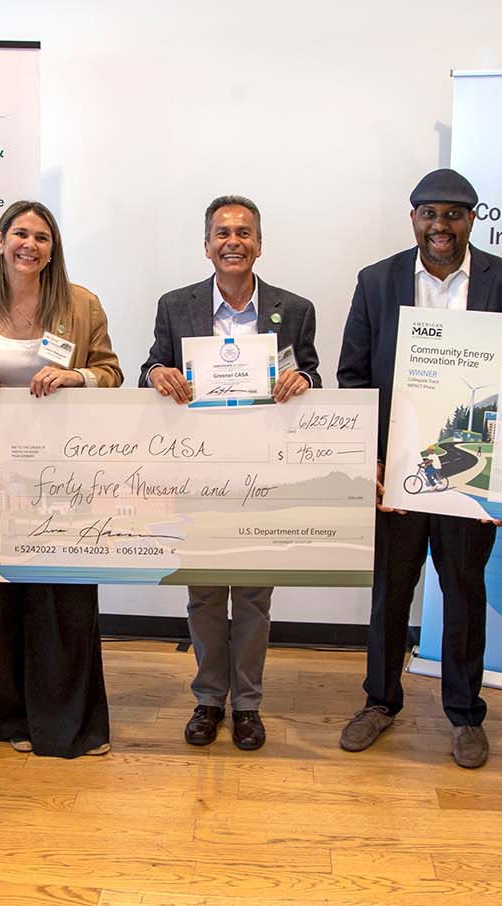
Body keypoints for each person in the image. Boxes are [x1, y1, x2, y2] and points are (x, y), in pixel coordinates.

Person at [336, 168, 502, 768]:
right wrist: (375, 460)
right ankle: (380, 701)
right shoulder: (377, 281)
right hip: (397, 477)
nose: (441, 226)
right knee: (390, 594)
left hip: (470, 478)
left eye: (453, 214)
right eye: (430, 213)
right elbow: (353, 376)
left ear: (473, 218)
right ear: (413, 216)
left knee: (464, 592)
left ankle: (465, 713)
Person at [0, 199, 122, 758]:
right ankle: (5, 716)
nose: (30, 245)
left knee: (60, 598)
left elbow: (111, 372)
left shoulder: (81, 304)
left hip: (62, 475)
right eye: (20, 234)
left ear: (52, 247)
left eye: (42, 237)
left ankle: (70, 720)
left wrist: (75, 375)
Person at [140, 194, 320, 751]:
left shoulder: (294, 308)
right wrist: (157, 374)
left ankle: (247, 705)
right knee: (203, 596)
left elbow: (310, 370)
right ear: (207, 245)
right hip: (196, 470)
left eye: (244, 233)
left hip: (264, 470)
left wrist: (305, 382)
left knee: (254, 597)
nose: (233, 242)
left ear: (259, 245)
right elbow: (150, 364)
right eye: (222, 233)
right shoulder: (176, 305)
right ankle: (208, 698)